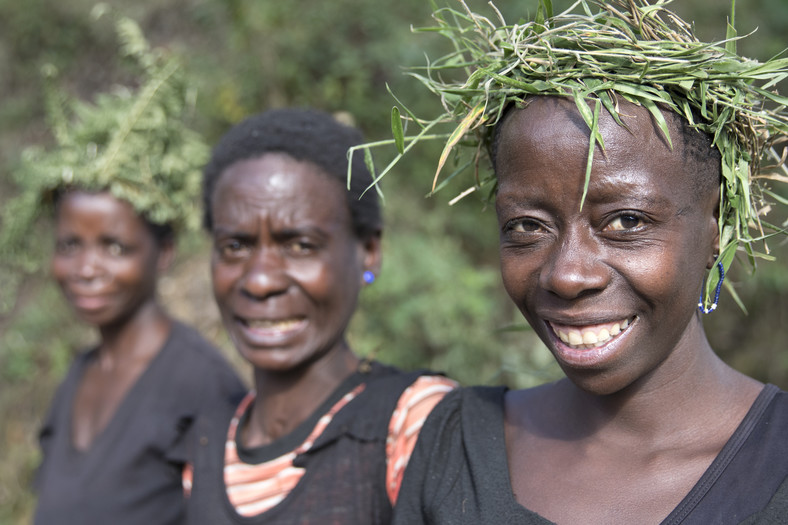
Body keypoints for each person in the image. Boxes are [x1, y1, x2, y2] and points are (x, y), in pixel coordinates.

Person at [379, 1, 788, 523]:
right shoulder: (455, 443)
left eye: (626, 222)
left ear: (716, 228)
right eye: (527, 226)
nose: (568, 275)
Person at [3, 18, 246, 525]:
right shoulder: (78, 377)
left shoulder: (202, 387)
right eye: (70, 244)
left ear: (164, 253)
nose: (86, 268)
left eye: (114, 246)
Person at [184, 108, 457, 524]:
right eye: (235, 246)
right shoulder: (203, 449)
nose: (260, 282)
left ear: (369, 251)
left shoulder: (414, 426)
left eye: (301, 245)